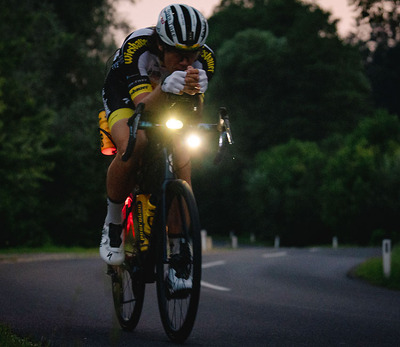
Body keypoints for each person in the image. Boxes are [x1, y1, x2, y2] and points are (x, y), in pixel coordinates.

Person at [99, 4, 215, 278]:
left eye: (192, 54)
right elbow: (141, 108)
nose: (187, 62)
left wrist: (197, 95)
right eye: (177, 52)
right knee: (133, 143)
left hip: (168, 102)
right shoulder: (138, 47)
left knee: (183, 160)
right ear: (161, 45)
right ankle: (113, 224)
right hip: (126, 94)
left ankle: (178, 250)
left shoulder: (206, 60)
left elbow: (194, 117)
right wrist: (163, 86)